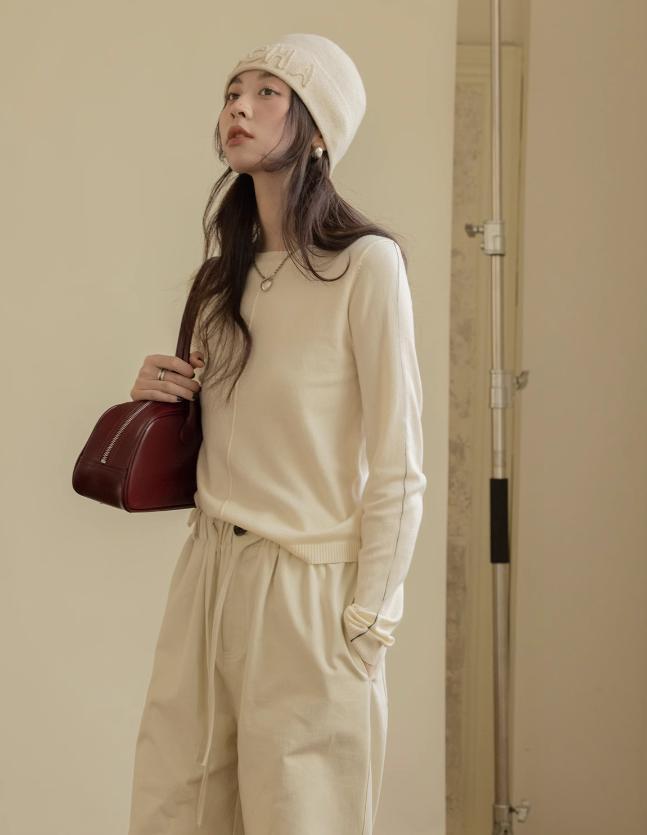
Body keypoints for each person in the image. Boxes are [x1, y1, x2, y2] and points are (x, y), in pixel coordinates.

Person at [126, 33, 427, 835]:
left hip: (306, 591)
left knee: (303, 817)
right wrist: (159, 389)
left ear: (318, 129)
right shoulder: (218, 279)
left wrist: (370, 620)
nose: (240, 106)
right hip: (208, 576)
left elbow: (399, 460)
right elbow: (226, 430)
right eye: (234, 91)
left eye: (268, 93)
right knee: (175, 809)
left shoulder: (365, 266)